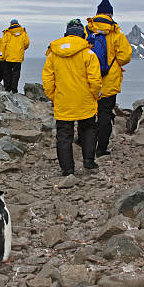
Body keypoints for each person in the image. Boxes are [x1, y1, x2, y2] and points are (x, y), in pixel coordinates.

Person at [42, 19, 102, 176]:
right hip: (85, 100)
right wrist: (95, 96)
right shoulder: (88, 54)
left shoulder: (52, 55)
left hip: (63, 101)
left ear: (65, 34)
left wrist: (55, 97)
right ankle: (88, 161)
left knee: (64, 135)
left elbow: (48, 81)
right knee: (89, 128)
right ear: (83, 35)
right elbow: (95, 81)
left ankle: (67, 169)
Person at [85, 0, 132, 157]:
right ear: (111, 14)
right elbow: (125, 56)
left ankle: (85, 142)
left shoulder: (87, 30)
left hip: (88, 80)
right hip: (109, 80)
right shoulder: (116, 31)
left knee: (88, 113)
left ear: (97, 13)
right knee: (105, 113)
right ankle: (101, 148)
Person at [1, 19, 30, 93]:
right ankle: (14, 89)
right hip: (18, 56)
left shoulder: (7, 32)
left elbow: (3, 45)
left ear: (11, 24)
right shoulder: (23, 32)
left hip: (8, 56)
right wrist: (21, 49)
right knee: (16, 73)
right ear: (18, 24)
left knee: (7, 73)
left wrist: (3, 56)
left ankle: (7, 88)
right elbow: (27, 43)